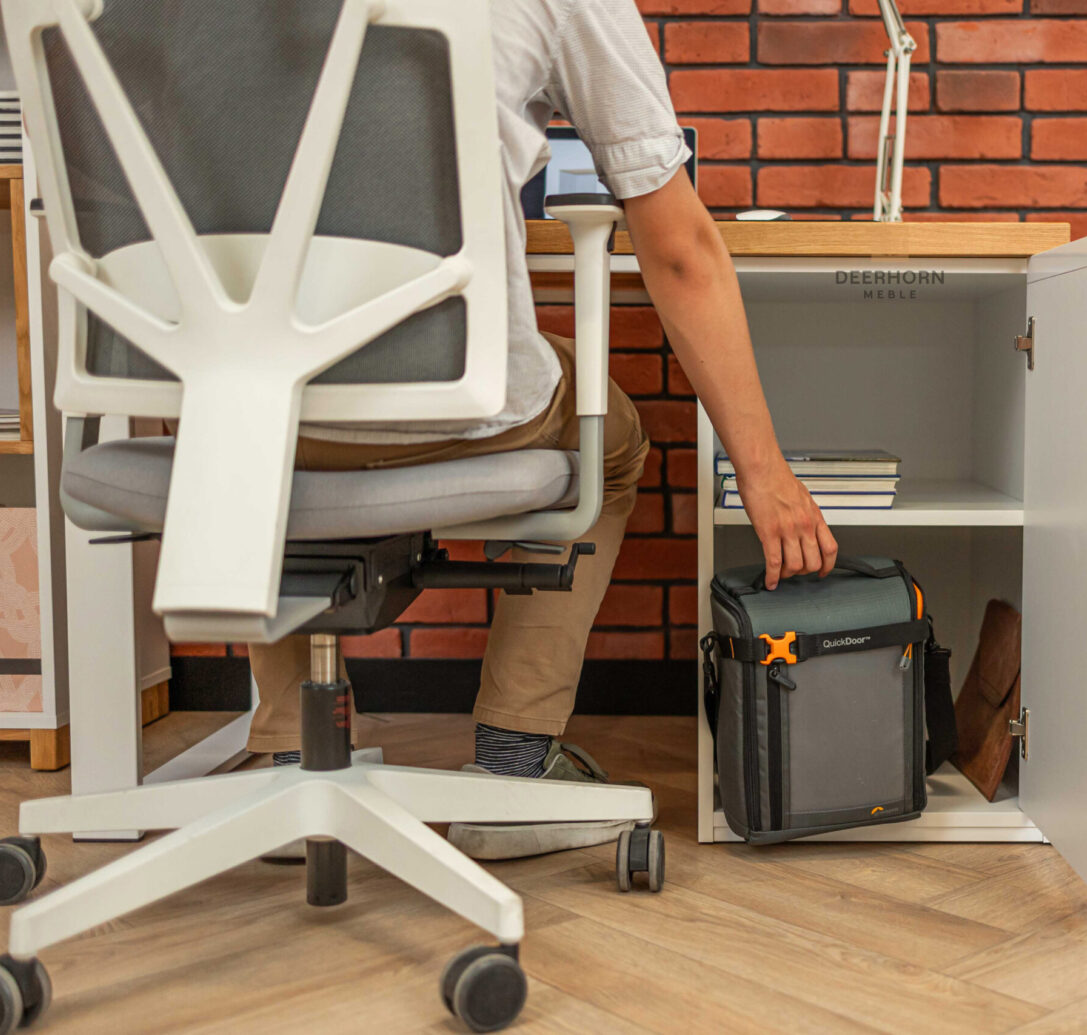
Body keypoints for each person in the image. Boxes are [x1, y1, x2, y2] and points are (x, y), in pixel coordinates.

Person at [245, 0, 838, 859]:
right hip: (454, 406)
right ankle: (516, 757)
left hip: (237, 413)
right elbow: (677, 251)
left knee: (251, 426)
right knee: (615, 434)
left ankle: (287, 745)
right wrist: (764, 469)